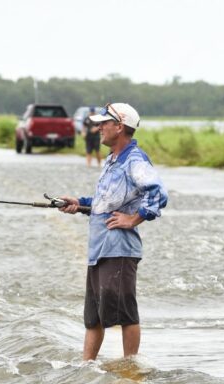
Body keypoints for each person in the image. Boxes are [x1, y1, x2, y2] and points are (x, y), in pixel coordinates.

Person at [60, 102, 168, 361]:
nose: (98, 128)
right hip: (98, 250)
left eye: (103, 123)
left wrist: (133, 219)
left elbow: (158, 194)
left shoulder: (135, 160)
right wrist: (80, 203)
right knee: (93, 318)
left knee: (125, 314)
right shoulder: (112, 160)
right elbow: (104, 201)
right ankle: (86, 369)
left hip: (119, 250)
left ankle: (131, 369)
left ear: (119, 127)